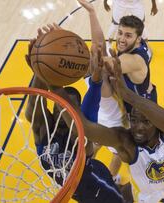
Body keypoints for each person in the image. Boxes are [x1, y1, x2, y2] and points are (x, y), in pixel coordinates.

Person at [43, 44, 164, 202]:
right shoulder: (126, 142)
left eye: (146, 122)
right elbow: (85, 128)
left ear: (157, 125)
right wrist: (54, 87)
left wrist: (126, 93)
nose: (138, 127)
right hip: (143, 197)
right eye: (134, 120)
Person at [24, 25, 124, 203]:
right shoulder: (44, 131)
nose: (64, 109)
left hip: (98, 185)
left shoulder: (81, 130)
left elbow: (93, 94)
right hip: (74, 189)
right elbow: (34, 105)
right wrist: (40, 67)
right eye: (59, 105)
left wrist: (95, 78)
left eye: (71, 105)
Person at [79, 0, 158, 182]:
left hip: (139, 113)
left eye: (128, 35)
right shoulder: (135, 48)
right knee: (106, 143)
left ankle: (110, 177)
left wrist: (78, 59)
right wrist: (92, 12)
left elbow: (101, 58)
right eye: (120, 33)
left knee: (121, 150)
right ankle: (85, 166)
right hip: (130, 103)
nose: (121, 39)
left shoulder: (132, 60)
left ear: (139, 38)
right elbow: (100, 48)